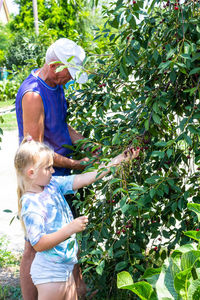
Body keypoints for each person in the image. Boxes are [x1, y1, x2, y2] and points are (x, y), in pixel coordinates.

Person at [15, 38, 96, 300]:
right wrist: (75, 165)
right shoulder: (34, 95)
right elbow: (38, 151)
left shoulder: (55, 86)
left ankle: (75, 291)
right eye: (69, 74)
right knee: (34, 246)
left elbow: (62, 128)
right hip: (42, 176)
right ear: (54, 66)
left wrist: (90, 146)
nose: (70, 80)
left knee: (65, 236)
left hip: (58, 175)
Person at [14, 137, 140, 300]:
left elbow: (85, 178)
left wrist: (119, 160)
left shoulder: (52, 185)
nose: (53, 171)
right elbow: (38, 244)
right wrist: (70, 228)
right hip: (50, 273)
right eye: (48, 168)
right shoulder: (31, 204)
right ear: (31, 173)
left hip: (64, 267)